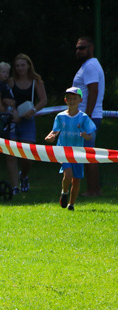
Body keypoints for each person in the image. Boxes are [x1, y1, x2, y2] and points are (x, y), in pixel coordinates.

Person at [45, 87, 96, 211]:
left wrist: (86, 136)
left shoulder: (83, 117)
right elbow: (55, 131)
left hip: (78, 152)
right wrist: (50, 137)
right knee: (68, 174)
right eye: (69, 98)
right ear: (65, 100)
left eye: (74, 98)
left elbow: (90, 136)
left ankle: (71, 204)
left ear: (80, 100)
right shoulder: (60, 116)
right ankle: (64, 192)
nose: (72, 101)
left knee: (76, 180)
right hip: (63, 150)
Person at [2, 54, 47, 195]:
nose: (20, 68)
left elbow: (43, 100)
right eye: (17, 65)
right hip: (13, 120)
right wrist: (7, 104)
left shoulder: (36, 81)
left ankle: (23, 176)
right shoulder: (10, 81)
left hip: (27, 119)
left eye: (23, 65)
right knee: (11, 154)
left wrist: (33, 110)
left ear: (28, 65)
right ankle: (15, 187)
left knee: (28, 155)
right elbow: (4, 97)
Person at [72, 37, 105, 196]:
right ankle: (94, 188)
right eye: (77, 48)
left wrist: (87, 116)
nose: (79, 51)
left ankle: (94, 190)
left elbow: (93, 90)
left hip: (88, 116)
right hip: (86, 115)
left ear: (91, 48)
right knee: (87, 152)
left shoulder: (90, 66)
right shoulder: (88, 66)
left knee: (88, 153)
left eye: (82, 48)